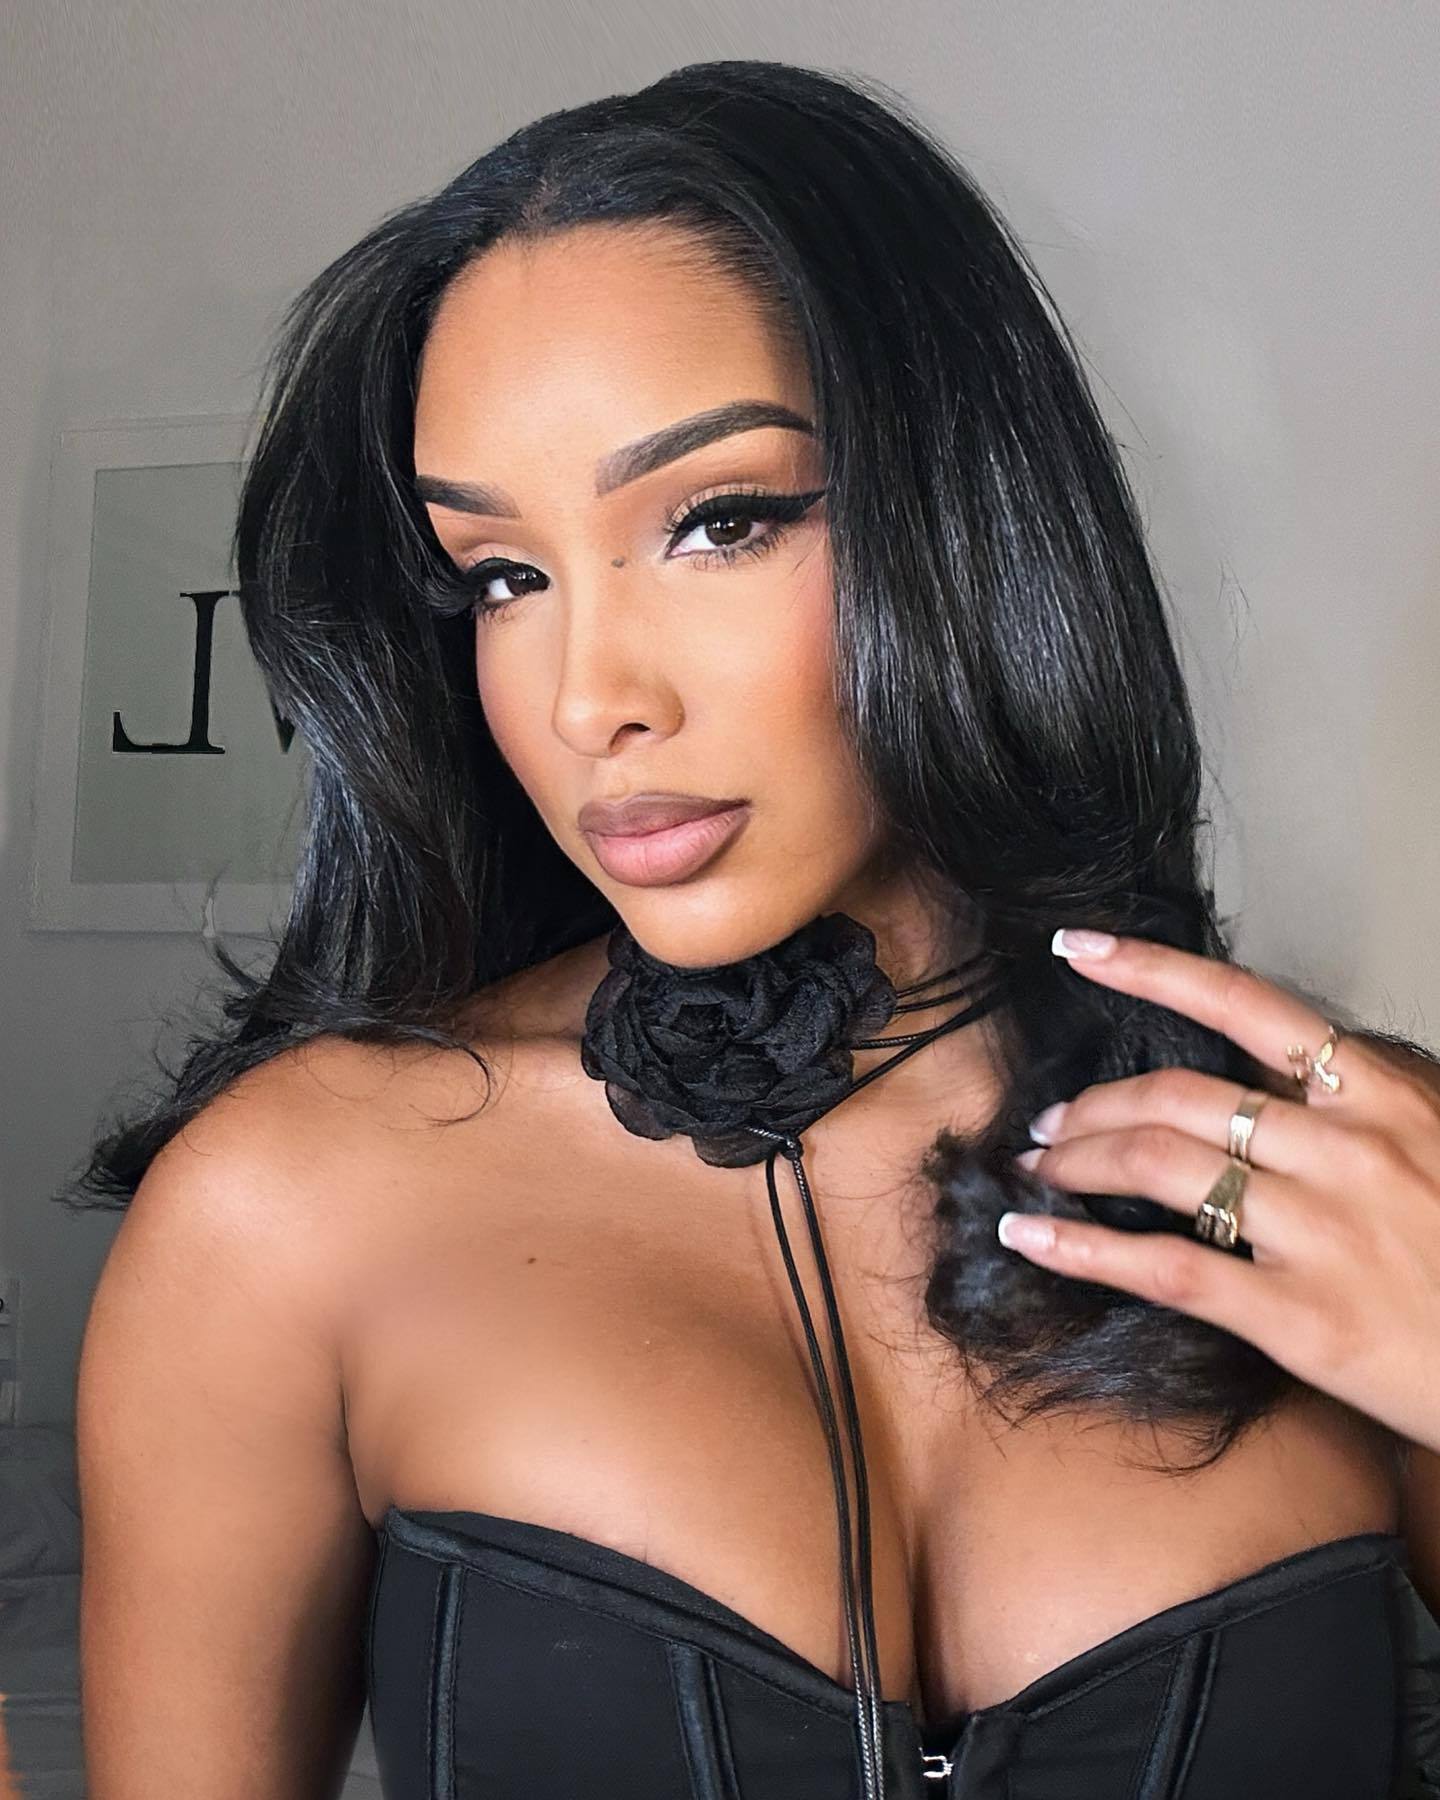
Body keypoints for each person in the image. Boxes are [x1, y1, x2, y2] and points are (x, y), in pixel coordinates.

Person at [68, 58, 1440, 1800]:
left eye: (717, 523)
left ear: (967, 513)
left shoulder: (1353, 1169)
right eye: (504, 577)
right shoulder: (284, 1211)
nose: (589, 700)